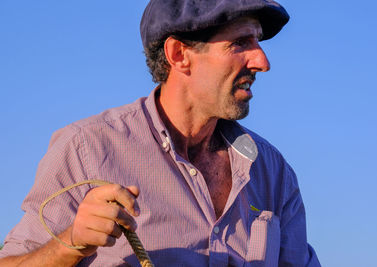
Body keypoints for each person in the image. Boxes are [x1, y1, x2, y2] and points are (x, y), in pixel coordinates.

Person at [0, 0, 321, 266]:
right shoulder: (87, 148)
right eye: (240, 42)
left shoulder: (274, 173)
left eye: (258, 41)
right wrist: (71, 243)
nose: (262, 61)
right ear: (179, 55)